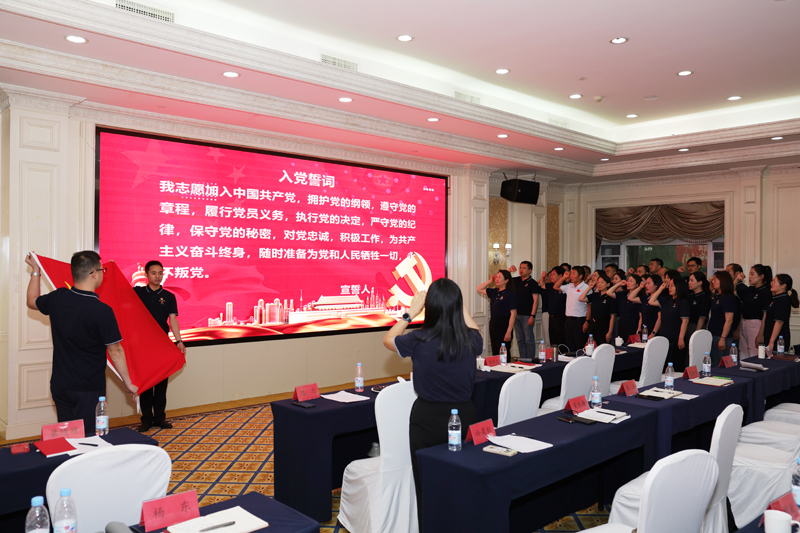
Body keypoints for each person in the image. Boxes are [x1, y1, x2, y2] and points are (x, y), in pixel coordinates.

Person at [383, 279, 482, 520]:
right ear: (457, 305)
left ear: (430, 306)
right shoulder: (470, 339)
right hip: (464, 415)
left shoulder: (418, 338)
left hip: (426, 419)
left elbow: (388, 339)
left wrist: (410, 313)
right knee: (463, 478)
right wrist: (460, 307)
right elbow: (477, 332)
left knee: (426, 482)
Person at [25, 251, 138, 435]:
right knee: (89, 437)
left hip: (60, 384)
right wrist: (128, 383)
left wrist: (35, 270)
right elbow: (116, 351)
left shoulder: (58, 297)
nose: (102, 274)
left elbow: (31, 301)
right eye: (102, 270)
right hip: (88, 387)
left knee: (68, 435)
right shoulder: (102, 311)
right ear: (94, 274)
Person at [133, 261, 186, 432]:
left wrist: (179, 341)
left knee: (162, 384)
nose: (157, 276)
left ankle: (160, 418)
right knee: (146, 384)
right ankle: (146, 419)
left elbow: (173, 320)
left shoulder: (169, 296)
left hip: (162, 345)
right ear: (146, 274)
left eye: (160, 273)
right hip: (143, 345)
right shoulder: (137, 293)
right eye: (154, 273)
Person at [650, 271, 690, 371]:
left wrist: (681, 338)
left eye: (672, 286)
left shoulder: (683, 302)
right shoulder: (667, 300)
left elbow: (685, 321)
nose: (669, 287)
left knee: (676, 365)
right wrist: (661, 288)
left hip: (676, 338)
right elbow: (651, 301)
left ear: (679, 287)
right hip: (664, 337)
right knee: (664, 365)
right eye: (669, 285)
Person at [477, 270, 517, 355]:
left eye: (500, 277)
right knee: (495, 349)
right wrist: (490, 281)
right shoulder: (494, 292)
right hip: (493, 322)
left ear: (506, 280)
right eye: (496, 277)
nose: (497, 279)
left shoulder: (510, 294)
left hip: (504, 323)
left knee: (503, 351)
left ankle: (506, 364)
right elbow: (479, 288)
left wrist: (509, 331)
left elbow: (513, 314)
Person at [708, 270, 742, 366]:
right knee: (714, 362)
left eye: (716, 279)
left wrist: (723, 338)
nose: (713, 281)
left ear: (723, 281)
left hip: (722, 336)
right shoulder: (718, 296)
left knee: (722, 364)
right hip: (713, 333)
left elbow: (729, 320)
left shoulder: (729, 298)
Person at [758, 274, 798, 352]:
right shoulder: (776, 298)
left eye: (774, 282)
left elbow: (779, 322)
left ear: (783, 285)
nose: (771, 283)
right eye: (772, 281)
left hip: (778, 342)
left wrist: (771, 342)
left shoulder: (783, 300)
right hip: (770, 338)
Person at [507, 261, 539, 360]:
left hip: (527, 315)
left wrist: (532, 316)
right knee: (520, 339)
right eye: (520, 267)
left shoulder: (533, 283)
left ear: (530, 270)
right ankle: (522, 359)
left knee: (529, 340)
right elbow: (504, 279)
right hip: (516, 315)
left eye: (524, 268)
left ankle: (530, 360)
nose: (521, 270)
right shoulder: (516, 280)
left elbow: (536, 301)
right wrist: (509, 271)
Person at [740, 264, 772, 357]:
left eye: (752, 274)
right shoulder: (749, 290)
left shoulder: (766, 292)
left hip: (756, 324)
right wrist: (737, 280)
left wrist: (760, 334)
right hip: (744, 323)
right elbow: (731, 292)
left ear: (761, 276)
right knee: (743, 352)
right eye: (749, 274)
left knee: (754, 353)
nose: (749, 277)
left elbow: (765, 314)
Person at [554, 266, 589, 352]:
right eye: (571, 273)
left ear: (580, 276)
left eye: (574, 274)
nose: (571, 276)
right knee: (570, 345)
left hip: (580, 320)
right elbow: (555, 286)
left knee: (580, 345)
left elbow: (590, 306)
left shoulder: (586, 287)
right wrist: (563, 277)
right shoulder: (569, 286)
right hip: (568, 320)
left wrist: (587, 321)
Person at [580, 272, 617, 344]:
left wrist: (610, 332)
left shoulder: (610, 298)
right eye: (598, 282)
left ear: (608, 284)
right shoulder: (595, 295)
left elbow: (613, 316)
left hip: (604, 325)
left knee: (603, 346)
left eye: (602, 282)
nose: (599, 284)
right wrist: (589, 288)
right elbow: (581, 298)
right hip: (593, 324)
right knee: (592, 345)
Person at [608, 273, 641, 342]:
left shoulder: (639, 297)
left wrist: (638, 329)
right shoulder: (623, 295)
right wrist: (619, 284)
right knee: (621, 344)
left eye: (631, 281)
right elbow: (609, 292)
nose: (628, 283)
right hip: (622, 323)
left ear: (637, 284)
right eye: (628, 281)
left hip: (633, 324)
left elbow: (641, 316)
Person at [540, 267, 567, 350]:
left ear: (561, 276)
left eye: (554, 274)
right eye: (551, 274)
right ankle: (554, 355)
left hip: (562, 318)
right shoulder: (550, 285)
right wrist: (542, 277)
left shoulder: (566, 286)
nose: (551, 276)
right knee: (553, 340)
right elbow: (542, 285)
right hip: (551, 317)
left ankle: (563, 355)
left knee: (561, 340)